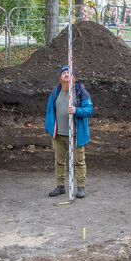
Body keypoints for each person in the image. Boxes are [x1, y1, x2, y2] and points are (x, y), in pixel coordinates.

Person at [44, 66, 94, 198]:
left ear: (73, 76)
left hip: (76, 135)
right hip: (58, 134)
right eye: (64, 73)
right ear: (60, 76)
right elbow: (49, 110)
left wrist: (76, 110)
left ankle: (80, 187)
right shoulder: (56, 92)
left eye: (68, 72)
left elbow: (89, 110)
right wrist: (49, 128)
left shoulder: (80, 91)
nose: (66, 74)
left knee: (79, 161)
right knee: (59, 161)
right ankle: (60, 186)